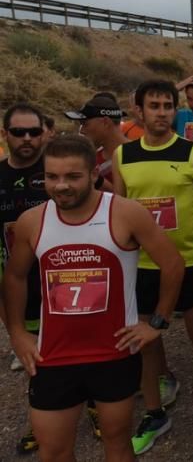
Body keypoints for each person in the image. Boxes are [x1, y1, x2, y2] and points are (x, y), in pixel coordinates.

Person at [4, 134, 185, 462]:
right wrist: (17, 332)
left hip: (112, 354)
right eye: (52, 176)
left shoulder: (126, 213)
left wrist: (157, 322)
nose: (61, 186)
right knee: (54, 451)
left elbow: (173, 264)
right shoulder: (33, 221)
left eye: (72, 176)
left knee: (116, 444)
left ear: (93, 175)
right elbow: (15, 276)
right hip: (54, 356)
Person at [111, 79, 193, 454]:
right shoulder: (123, 156)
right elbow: (118, 213)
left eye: (167, 106)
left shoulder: (191, 151)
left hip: (190, 261)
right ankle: (154, 412)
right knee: (145, 345)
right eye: (154, 106)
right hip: (143, 265)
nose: (161, 113)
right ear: (139, 110)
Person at [0, 103, 64, 454]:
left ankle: (91, 406)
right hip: (20, 284)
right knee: (33, 355)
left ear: (44, 133)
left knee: (78, 349)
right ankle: (39, 419)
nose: (27, 138)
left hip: (68, 279)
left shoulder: (60, 171)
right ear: (5, 134)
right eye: (18, 132)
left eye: (34, 132)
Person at [66, 95, 127, 191]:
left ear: (105, 122)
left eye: (85, 124)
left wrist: (98, 181)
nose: (81, 131)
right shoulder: (91, 160)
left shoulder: (139, 156)